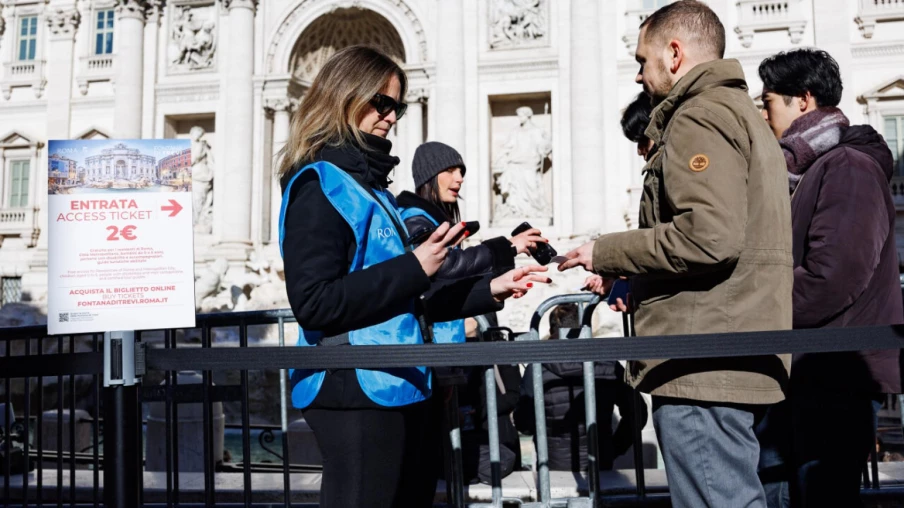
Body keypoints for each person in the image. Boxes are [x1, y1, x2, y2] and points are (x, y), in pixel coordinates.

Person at [276, 45, 550, 507]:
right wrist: (413, 266)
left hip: (394, 381)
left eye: (397, 105)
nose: (392, 116)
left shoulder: (371, 188)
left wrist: (489, 289)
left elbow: (409, 301)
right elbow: (314, 302)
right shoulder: (320, 184)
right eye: (380, 102)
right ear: (344, 96)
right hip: (352, 387)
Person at [557, 2, 794, 506]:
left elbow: (709, 236)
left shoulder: (698, 117)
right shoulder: (742, 115)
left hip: (702, 356)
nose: (640, 74)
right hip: (730, 343)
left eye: (642, 60)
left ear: (674, 53)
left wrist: (605, 251)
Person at [757, 48, 903, 508]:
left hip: (834, 371)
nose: (763, 114)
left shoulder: (847, 167)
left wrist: (759, 307)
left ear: (803, 100)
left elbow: (833, 276)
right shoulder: (809, 168)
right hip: (813, 367)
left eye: (769, 102)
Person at [397, 140, 549, 342]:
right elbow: (445, 266)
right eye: (450, 170)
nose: (459, 179)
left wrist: (498, 284)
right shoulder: (415, 218)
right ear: (429, 176)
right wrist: (509, 246)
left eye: (461, 172)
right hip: (436, 341)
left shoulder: (432, 219)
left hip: (448, 337)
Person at [514, 304, 647, 473]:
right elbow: (637, 412)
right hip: (600, 461)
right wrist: (614, 448)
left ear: (552, 329)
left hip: (553, 464)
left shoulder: (538, 366)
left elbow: (523, 421)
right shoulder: (608, 363)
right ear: (585, 327)